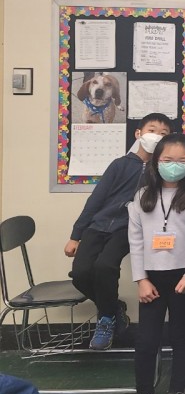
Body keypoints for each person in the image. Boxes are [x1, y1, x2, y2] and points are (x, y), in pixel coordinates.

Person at [64, 112, 172, 350]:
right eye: (152, 130)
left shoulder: (161, 170)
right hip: (98, 225)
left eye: (164, 134)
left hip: (127, 227)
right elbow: (95, 200)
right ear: (138, 133)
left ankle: (105, 320)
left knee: (105, 266)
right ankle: (114, 308)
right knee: (80, 273)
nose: (157, 136)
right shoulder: (119, 164)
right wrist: (75, 235)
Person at [128, 133, 185, 394]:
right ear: (156, 162)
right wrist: (141, 279)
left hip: (183, 279)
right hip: (151, 280)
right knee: (146, 341)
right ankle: (144, 393)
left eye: (182, 160)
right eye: (168, 159)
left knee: (181, 337)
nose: (175, 165)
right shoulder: (142, 196)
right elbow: (135, 241)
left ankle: (176, 391)